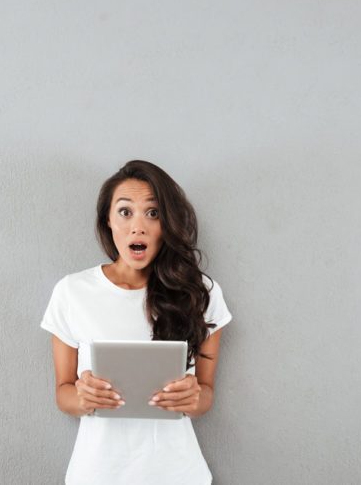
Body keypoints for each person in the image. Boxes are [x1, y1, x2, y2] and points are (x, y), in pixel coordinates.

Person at [40, 160, 233, 484]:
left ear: (167, 223)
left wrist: (193, 397)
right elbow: (63, 394)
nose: (138, 227)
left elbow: (206, 395)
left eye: (153, 213)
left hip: (177, 472)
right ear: (108, 221)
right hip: (97, 473)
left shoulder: (202, 293)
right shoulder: (72, 291)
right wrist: (84, 398)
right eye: (125, 212)